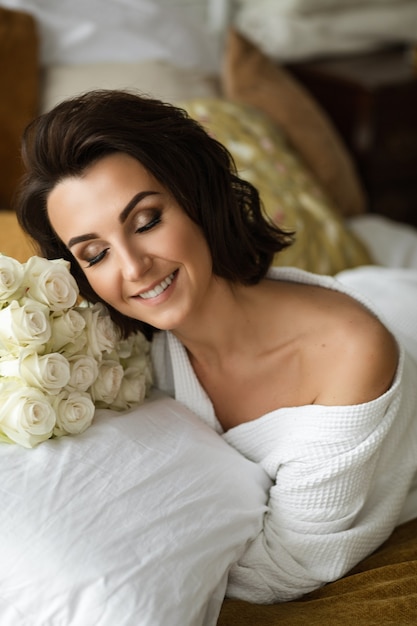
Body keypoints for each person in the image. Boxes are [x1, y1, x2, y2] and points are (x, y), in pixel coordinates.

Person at [16, 89, 417, 603]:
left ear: (198, 199)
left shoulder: (347, 356)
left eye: (147, 222)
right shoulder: (112, 343)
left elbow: (291, 566)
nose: (134, 268)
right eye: (96, 254)